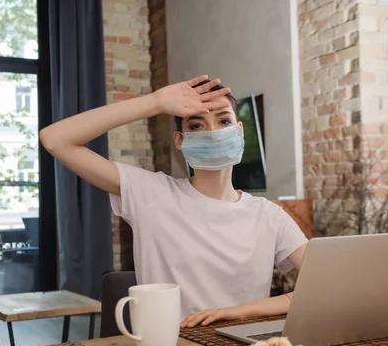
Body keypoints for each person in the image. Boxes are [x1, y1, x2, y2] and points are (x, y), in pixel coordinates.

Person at [40, 75, 308, 327]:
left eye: (223, 121)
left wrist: (238, 312)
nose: (212, 132)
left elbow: (328, 285)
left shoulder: (269, 215)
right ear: (180, 140)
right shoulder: (150, 193)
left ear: (240, 131)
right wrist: (154, 102)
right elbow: (55, 140)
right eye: (196, 125)